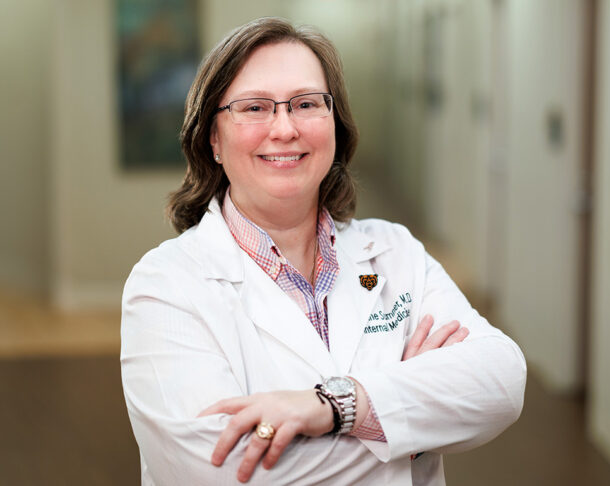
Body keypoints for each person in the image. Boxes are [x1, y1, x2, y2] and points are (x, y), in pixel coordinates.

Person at [120, 17, 526, 486]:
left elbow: (502, 381)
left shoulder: (395, 252)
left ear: (335, 124)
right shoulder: (165, 286)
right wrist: (410, 426)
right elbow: (225, 472)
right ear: (213, 138)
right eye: (254, 108)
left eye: (307, 103)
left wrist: (335, 406)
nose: (285, 128)